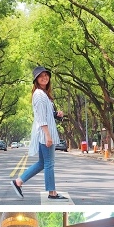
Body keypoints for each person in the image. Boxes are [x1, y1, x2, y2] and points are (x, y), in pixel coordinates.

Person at [11, 66, 66, 200]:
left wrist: (56, 114)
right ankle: (52, 192)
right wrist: (48, 135)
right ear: (36, 79)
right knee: (49, 163)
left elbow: (46, 114)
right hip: (45, 133)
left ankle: (18, 182)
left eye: (46, 75)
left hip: (45, 131)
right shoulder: (40, 95)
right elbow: (41, 118)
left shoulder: (43, 94)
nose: (44, 77)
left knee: (43, 163)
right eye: (41, 76)